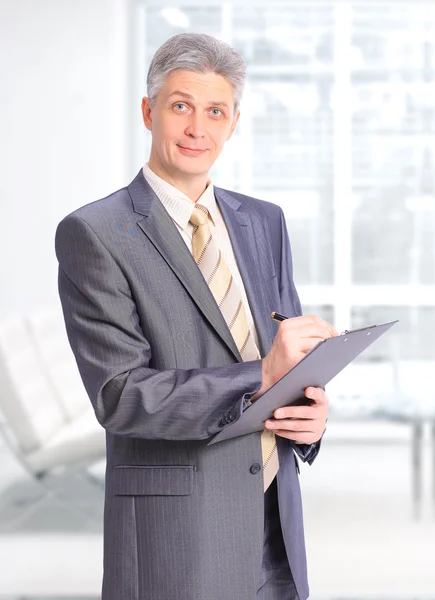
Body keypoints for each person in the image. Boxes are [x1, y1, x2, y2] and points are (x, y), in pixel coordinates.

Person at [55, 33, 336, 600]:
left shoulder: (264, 221)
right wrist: (260, 377)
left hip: (274, 518)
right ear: (148, 111)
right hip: (177, 532)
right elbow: (121, 396)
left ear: (234, 122)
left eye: (216, 111)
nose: (196, 129)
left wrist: (310, 416)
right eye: (181, 106)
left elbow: (290, 364)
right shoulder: (96, 233)